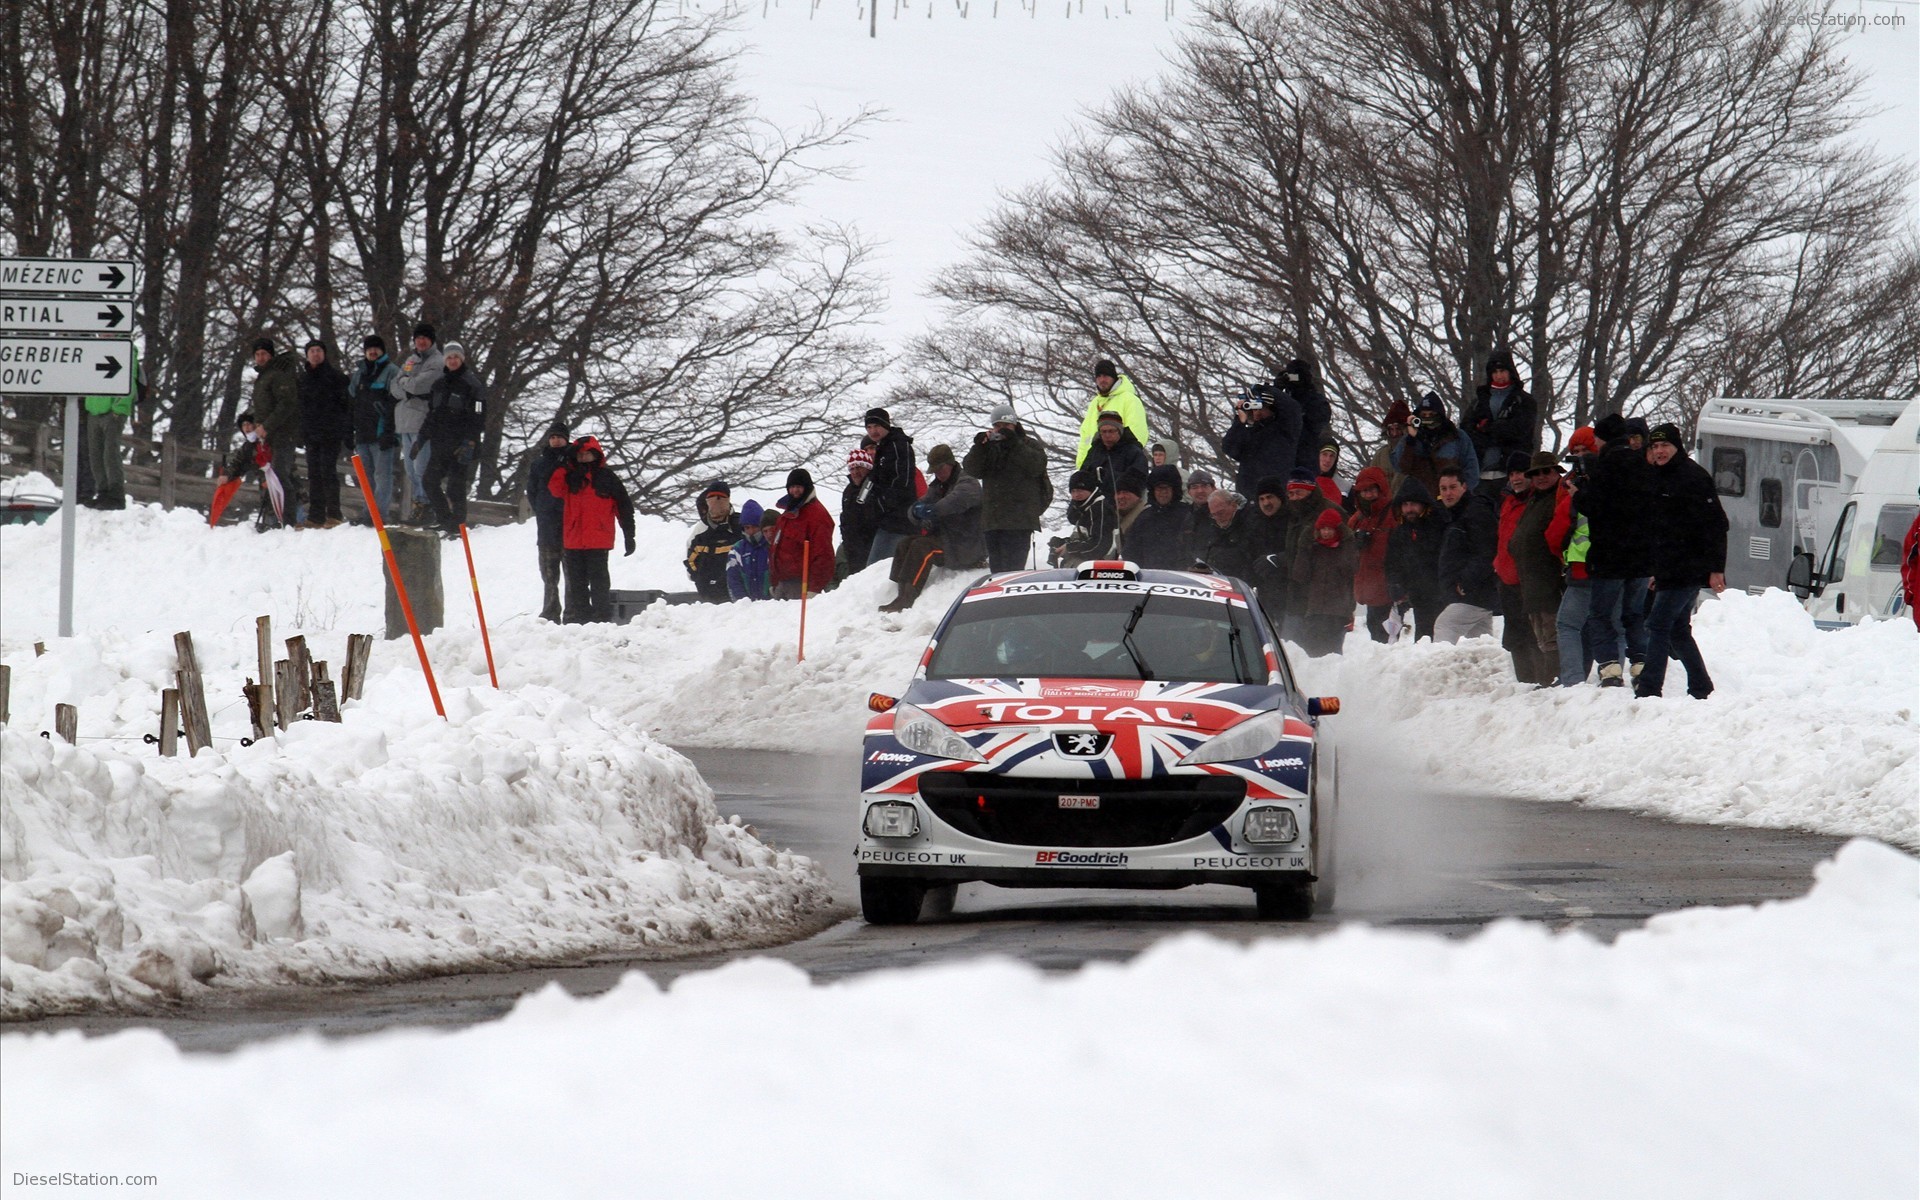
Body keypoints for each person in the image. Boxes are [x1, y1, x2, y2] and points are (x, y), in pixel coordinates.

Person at [1636, 423, 1728, 699]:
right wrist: (1653, 569)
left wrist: (1715, 568)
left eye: (1664, 445)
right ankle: (1701, 687)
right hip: (1667, 566)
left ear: (1676, 447)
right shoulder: (1657, 477)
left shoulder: (1693, 477)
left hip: (1689, 566)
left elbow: (1717, 524)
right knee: (1677, 630)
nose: (1659, 451)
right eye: (1654, 446)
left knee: (1658, 624)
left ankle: (1649, 689)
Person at [1578, 413, 1654, 687]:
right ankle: (1641, 666)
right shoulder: (1643, 464)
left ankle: (1610, 668)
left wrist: (1579, 492)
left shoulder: (1604, 466)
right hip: (1641, 559)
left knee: (1599, 615)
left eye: (1596, 438)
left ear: (1603, 438)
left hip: (1610, 557)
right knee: (1634, 615)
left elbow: (1593, 506)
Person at [880, 444, 984, 611]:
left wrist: (932, 511)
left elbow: (953, 502)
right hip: (948, 540)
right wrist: (915, 513)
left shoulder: (968, 483)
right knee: (905, 543)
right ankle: (899, 590)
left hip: (965, 546)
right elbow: (920, 504)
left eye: (940, 468)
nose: (937, 474)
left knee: (921, 547)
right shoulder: (937, 486)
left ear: (950, 463)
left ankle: (906, 599)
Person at [548, 435, 636, 624]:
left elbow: (624, 507)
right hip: (574, 540)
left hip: (598, 539)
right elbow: (554, 488)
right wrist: (563, 464)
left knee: (599, 583)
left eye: (587, 454)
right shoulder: (569, 477)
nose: (583, 458)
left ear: (596, 455)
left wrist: (629, 535)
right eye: (579, 455)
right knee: (577, 585)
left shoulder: (607, 477)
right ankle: (582, 620)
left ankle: (602, 619)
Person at [963, 403, 1052, 572]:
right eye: (997, 426)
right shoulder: (990, 447)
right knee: (997, 573)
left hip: (1020, 521)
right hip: (993, 521)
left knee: (1013, 572)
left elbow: (1037, 466)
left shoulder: (1029, 445)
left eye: (1006, 426)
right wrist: (979, 448)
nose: (1001, 430)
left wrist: (1014, 444)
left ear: (1015, 425)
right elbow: (972, 469)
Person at [1508, 451, 1571, 685]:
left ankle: (1555, 680)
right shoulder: (1535, 499)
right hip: (1531, 581)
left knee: (1552, 634)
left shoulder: (1559, 498)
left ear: (1557, 472)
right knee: (1541, 635)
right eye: (1536, 473)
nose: (1542, 477)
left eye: (1547, 471)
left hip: (1550, 581)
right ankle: (1548, 680)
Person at [417, 342, 484, 537]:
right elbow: (432, 414)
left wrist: (471, 441)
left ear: (462, 359)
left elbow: (479, 415)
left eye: (456, 357)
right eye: (449, 357)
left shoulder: (473, 385)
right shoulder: (439, 384)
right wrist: (421, 438)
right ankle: (445, 520)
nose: (453, 361)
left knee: (456, 486)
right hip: (440, 443)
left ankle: (458, 525)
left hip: (462, 445)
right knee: (429, 481)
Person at [1551, 427, 1601, 685]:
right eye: (1575, 452)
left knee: (1568, 625)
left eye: (1585, 452)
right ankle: (1606, 678)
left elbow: (1556, 530)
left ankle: (1573, 681)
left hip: (1581, 568)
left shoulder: (1577, 489)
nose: (1580, 457)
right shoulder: (1614, 483)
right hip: (1609, 570)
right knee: (1604, 626)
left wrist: (1562, 553)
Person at [1490, 451, 1541, 681]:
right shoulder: (1508, 502)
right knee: (1514, 636)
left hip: (1528, 580)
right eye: (1512, 474)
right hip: (1507, 580)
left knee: (1534, 635)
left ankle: (1542, 681)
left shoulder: (1537, 500)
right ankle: (1524, 683)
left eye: (1520, 472)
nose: (1516, 478)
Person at [1434, 467, 1499, 642]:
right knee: (1479, 641)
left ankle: (1439, 666)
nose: (1448, 493)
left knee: (1445, 625)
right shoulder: (1456, 515)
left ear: (1464, 487)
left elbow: (1487, 551)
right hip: (1473, 593)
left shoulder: (1476, 511)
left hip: (1474, 592)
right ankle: (1487, 667)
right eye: (1443, 488)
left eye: (1453, 487)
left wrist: (1465, 582)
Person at [389, 322, 444, 515]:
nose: (421, 341)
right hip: (404, 422)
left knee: (422, 469)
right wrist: (407, 387)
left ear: (431, 340)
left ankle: (428, 506)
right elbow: (395, 387)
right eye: (418, 338)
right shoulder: (411, 360)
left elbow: (418, 386)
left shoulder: (437, 362)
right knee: (411, 471)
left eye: (425, 338)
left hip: (422, 422)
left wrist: (406, 384)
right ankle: (419, 504)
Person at [249, 337, 304, 519]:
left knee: (280, 474)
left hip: (283, 432)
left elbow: (287, 404)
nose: (260, 357)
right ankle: (278, 517)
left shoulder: (279, 373)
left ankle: (289, 518)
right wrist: (258, 424)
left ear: (271, 355)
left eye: (264, 353)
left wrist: (266, 425)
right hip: (270, 434)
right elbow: (263, 406)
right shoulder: (264, 376)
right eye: (257, 354)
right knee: (272, 475)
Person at [297, 339, 351, 527]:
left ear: (324, 353)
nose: (315, 354)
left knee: (328, 471)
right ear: (307, 355)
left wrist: (343, 429)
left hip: (330, 432)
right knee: (313, 474)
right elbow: (300, 408)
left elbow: (346, 406)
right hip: (311, 434)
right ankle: (315, 515)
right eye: (311, 351)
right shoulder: (302, 379)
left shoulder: (336, 378)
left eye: (318, 350)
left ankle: (334, 514)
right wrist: (300, 432)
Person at [1462, 349, 1538, 483]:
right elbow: (1466, 430)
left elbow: (1520, 430)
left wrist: (1488, 429)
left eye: (1502, 371)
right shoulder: (1479, 401)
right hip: (1480, 472)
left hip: (1513, 473)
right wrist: (1493, 432)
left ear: (1510, 372)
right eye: (1495, 372)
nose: (1499, 375)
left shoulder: (1524, 400)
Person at [1384, 478, 1446, 641]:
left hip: (1441, 595)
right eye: (1405, 505)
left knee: (1442, 641)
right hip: (1418, 597)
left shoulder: (1439, 525)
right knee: (1423, 641)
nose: (1409, 509)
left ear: (1423, 504)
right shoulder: (1399, 533)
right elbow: (1392, 563)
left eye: (1413, 504)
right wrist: (1395, 583)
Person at [81, 346, 142, 509]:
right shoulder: (95, 350)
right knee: (96, 454)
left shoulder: (126, 349)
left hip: (112, 411)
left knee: (110, 453)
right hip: (95, 409)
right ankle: (103, 493)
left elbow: (130, 377)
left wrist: (119, 408)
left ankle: (115, 496)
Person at [1292, 509, 1358, 657]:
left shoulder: (1345, 547)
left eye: (1330, 529)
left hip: (1337, 611)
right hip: (1315, 608)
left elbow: (1350, 569)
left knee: (1333, 651)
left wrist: (1347, 541)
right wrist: (1303, 549)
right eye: (1323, 529)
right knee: (1313, 650)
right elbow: (1300, 575)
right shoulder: (1313, 549)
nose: (1326, 533)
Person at [1281, 469, 1337, 643]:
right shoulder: (1293, 515)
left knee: (1319, 652)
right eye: (1291, 493)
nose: (1295, 497)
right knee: (1291, 650)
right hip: (1296, 593)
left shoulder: (1330, 512)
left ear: (1311, 491)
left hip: (1323, 597)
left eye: (1299, 492)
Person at [526, 420, 572, 622]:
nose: (555, 440)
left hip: (570, 526)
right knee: (549, 575)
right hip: (546, 527)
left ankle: (572, 612)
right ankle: (551, 612)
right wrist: (543, 509)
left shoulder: (574, 461)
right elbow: (532, 491)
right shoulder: (539, 463)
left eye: (559, 437)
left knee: (572, 575)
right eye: (552, 437)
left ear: (566, 439)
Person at [1222, 381, 1301, 498]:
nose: (1257, 412)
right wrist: (1239, 420)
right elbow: (1229, 447)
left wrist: (1268, 391)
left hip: (1278, 494)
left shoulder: (1284, 429)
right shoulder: (1249, 434)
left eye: (1261, 407)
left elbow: (1293, 409)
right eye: (1254, 408)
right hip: (1251, 495)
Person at [348, 336, 400, 514]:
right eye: (369, 349)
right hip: (362, 433)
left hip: (381, 433)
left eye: (376, 348)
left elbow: (397, 403)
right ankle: (368, 512)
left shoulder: (392, 371)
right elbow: (351, 399)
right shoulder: (359, 373)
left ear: (383, 350)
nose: (373, 351)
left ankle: (379, 514)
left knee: (382, 476)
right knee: (365, 477)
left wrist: (390, 431)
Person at [1346, 466, 1398, 642]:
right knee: (1375, 631)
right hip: (1369, 590)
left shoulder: (1393, 515)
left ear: (1381, 489)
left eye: (1371, 490)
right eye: (1364, 491)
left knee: (1388, 637)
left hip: (1389, 591)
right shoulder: (1357, 519)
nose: (1368, 495)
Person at [862, 408, 919, 567]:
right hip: (888, 519)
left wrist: (883, 502)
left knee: (877, 569)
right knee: (879, 570)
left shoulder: (898, 445)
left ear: (885, 425)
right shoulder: (884, 446)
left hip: (899, 519)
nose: (873, 431)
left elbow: (902, 481)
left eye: (876, 426)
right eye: (869, 427)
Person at [214, 411, 288, 528]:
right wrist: (227, 476)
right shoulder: (248, 447)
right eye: (243, 425)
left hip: (285, 489)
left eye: (249, 424)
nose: (246, 428)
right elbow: (238, 464)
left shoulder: (270, 440)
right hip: (267, 494)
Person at [772, 468, 836, 600]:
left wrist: (813, 589)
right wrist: (774, 583)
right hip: (782, 586)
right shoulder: (786, 516)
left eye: (799, 487)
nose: (795, 491)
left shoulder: (817, 515)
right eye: (792, 487)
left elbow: (823, 555)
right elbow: (774, 549)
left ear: (807, 488)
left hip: (802, 586)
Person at [1396, 391, 1479, 495]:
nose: (1428, 418)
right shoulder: (1410, 438)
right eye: (1424, 415)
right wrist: (1411, 439)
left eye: (1431, 414)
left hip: (1452, 499)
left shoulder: (1457, 437)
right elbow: (1401, 467)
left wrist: (1463, 494)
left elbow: (1471, 469)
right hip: (1422, 501)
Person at [1075, 358, 1149, 467]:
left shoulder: (1129, 399)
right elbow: (1085, 436)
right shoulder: (1095, 403)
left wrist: (1122, 461)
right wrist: (1081, 466)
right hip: (1092, 465)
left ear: (1114, 377)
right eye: (1099, 376)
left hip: (1118, 466)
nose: (1102, 380)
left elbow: (1137, 434)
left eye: (1105, 376)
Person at [1243, 477, 1293, 630]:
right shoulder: (1254, 523)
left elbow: (1304, 552)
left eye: (1270, 497)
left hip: (1292, 595)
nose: (1266, 503)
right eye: (1262, 499)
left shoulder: (1293, 520)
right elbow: (1247, 557)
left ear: (1280, 498)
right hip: (1264, 595)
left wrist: (1278, 560)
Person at [1124, 464, 1192, 570]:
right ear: (1153, 491)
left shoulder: (1187, 514)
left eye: (1166, 489)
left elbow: (1195, 549)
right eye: (1159, 489)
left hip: (1181, 578)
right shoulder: (1144, 517)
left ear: (1174, 490)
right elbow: (1131, 551)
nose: (1163, 493)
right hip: (1148, 578)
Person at [685, 480, 741, 603]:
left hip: (740, 593)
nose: (717, 503)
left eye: (721, 498)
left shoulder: (740, 525)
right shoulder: (700, 530)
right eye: (712, 499)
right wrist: (700, 578)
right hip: (709, 593)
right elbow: (691, 560)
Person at [1050, 468, 1116, 568]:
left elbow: (1099, 546)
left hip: (1101, 566)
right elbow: (1085, 538)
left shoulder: (1099, 508)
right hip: (1089, 563)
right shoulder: (1083, 508)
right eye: (1073, 491)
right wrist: (1063, 543)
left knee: (1071, 570)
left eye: (1080, 490)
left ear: (1090, 489)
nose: (1076, 495)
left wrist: (1070, 547)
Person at [1274, 358, 1330, 474]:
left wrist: (1302, 393)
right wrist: (1276, 391)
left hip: (1305, 460)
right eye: (1290, 376)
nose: (1293, 379)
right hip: (1280, 461)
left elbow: (1317, 424)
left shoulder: (1315, 400)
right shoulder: (1282, 400)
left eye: (1296, 376)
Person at [1081, 409, 1150, 503]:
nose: (1107, 435)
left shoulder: (1133, 452)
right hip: (1097, 507)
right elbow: (1082, 476)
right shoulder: (1094, 451)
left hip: (1124, 506)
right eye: (1103, 432)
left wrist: (1107, 476)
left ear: (1119, 431)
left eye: (1111, 431)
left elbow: (1139, 481)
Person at [1193, 490, 1257, 580]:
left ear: (1234, 506)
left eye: (1221, 513)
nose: (1218, 518)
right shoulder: (1211, 527)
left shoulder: (1250, 522)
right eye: (1213, 515)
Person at [839, 446, 880, 578]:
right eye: (852, 468)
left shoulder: (875, 486)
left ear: (868, 468)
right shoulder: (848, 491)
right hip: (852, 550)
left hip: (871, 547)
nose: (855, 472)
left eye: (859, 467)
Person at [727, 499, 774, 601]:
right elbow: (733, 580)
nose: (751, 531)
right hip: (747, 608)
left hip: (772, 607)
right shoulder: (737, 550)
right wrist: (743, 602)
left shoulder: (772, 546)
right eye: (747, 528)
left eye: (755, 527)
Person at [1368, 399, 1410, 496]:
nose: (1394, 434)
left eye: (1398, 429)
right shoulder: (1380, 456)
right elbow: (1370, 484)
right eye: (1391, 429)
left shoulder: (1417, 452)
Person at [1113, 468, 1148, 546]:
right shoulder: (1110, 517)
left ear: (1137, 496)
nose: (1121, 496)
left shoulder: (1146, 518)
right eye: (1118, 493)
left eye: (1125, 492)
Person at [1315, 442, 1347, 508]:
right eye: (1324, 454)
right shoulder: (1303, 479)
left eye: (1332, 456)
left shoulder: (1344, 487)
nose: (1328, 460)